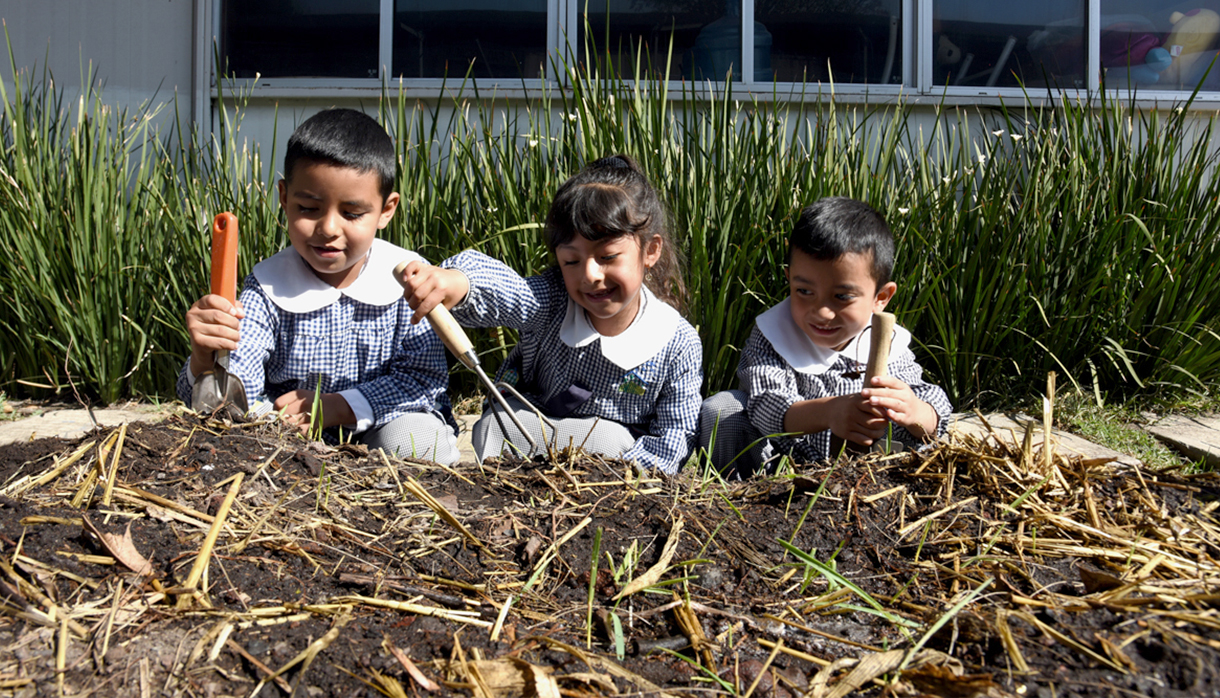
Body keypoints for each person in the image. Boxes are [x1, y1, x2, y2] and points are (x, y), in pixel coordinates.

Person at [177, 108, 459, 463]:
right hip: (293, 437)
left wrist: (337, 406)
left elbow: (421, 380)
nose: (328, 228)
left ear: (386, 210)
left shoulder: (410, 282)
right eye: (309, 208)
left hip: (386, 422)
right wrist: (207, 357)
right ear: (284, 197)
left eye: (352, 214)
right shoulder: (267, 289)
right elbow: (234, 388)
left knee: (416, 442)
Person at [397, 154, 702, 475]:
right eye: (571, 261)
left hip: (613, 465)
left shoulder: (676, 341)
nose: (590, 275)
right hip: (531, 428)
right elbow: (508, 291)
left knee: (609, 440)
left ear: (651, 251)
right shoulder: (553, 300)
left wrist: (630, 475)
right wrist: (458, 282)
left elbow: (675, 436)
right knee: (495, 426)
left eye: (607, 257)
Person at [700, 197, 951, 475]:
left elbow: (936, 405)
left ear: (880, 297)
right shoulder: (774, 334)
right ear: (789, 278)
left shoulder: (887, 345)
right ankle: (730, 490)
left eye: (842, 296)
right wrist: (830, 412)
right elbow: (766, 405)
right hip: (781, 472)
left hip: (868, 477)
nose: (821, 312)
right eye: (804, 291)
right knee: (722, 409)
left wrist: (915, 411)